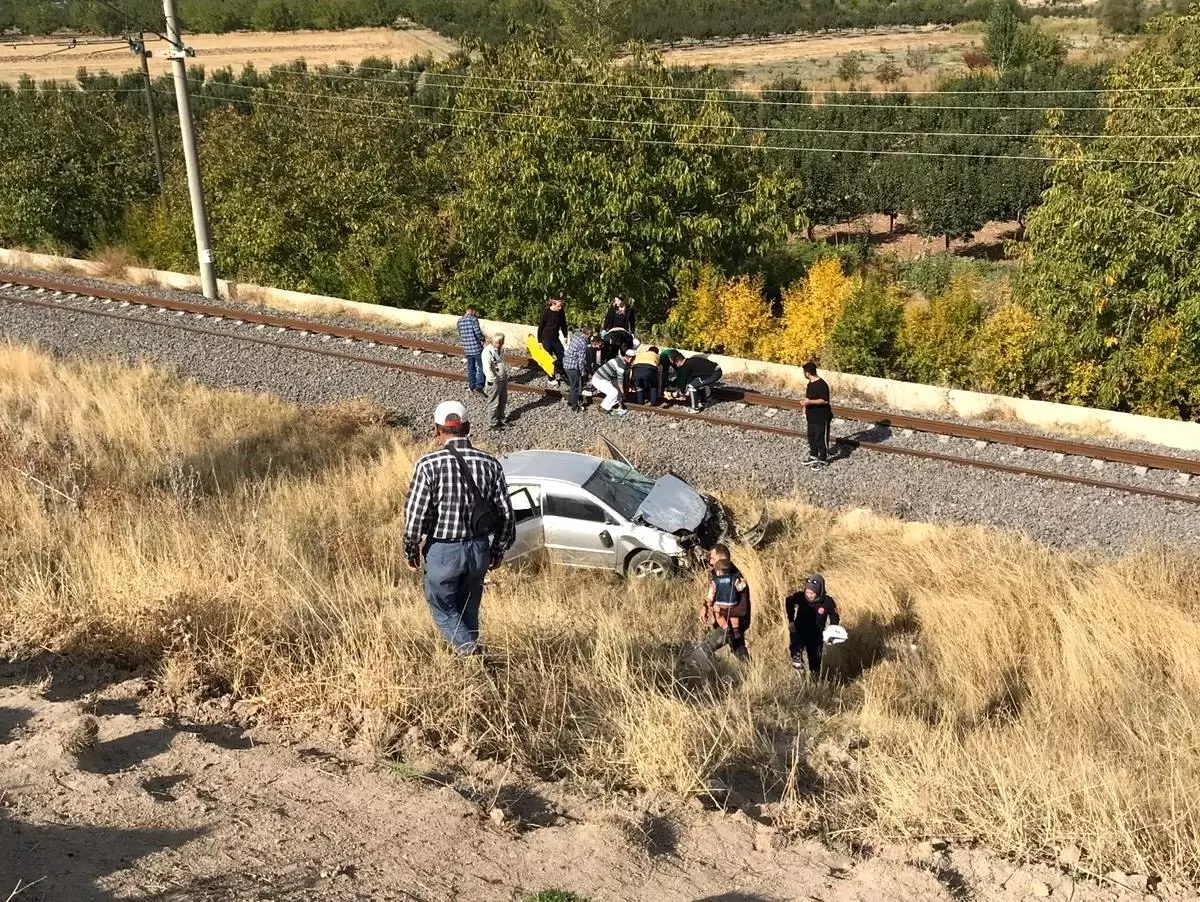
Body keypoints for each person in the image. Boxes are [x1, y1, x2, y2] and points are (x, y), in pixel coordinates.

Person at [403, 401, 516, 655]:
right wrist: (497, 551)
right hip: (478, 549)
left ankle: (473, 656)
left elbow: (415, 516)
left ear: (436, 430)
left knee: (442, 607)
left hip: (443, 550)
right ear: (467, 427)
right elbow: (506, 514)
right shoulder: (490, 463)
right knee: (468, 609)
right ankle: (469, 664)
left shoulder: (428, 464)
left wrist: (411, 550)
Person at [785, 574, 840, 676]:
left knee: (815, 665)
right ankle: (799, 676)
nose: (809, 595)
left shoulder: (827, 602)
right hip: (799, 630)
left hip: (816, 635)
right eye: (807, 592)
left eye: (812, 593)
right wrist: (791, 620)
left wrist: (832, 630)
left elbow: (835, 616)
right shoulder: (801, 597)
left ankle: (814, 685)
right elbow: (788, 601)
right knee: (796, 653)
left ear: (819, 592)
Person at [699, 559, 751, 661]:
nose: (710, 561)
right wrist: (743, 583)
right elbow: (740, 588)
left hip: (720, 605)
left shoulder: (715, 581)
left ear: (718, 571)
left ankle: (726, 628)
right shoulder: (735, 578)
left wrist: (708, 603)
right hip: (732, 604)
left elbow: (711, 594)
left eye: (712, 559)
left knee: (718, 617)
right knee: (734, 618)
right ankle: (735, 630)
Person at [800, 361, 833, 465]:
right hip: (811, 416)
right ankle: (813, 455)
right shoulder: (810, 384)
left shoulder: (822, 385)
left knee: (820, 437)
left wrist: (810, 402)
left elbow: (825, 400)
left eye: (804, 372)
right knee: (811, 436)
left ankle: (823, 459)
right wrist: (805, 409)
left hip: (822, 416)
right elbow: (808, 398)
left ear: (808, 373)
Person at [590, 347, 634, 417]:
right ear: (630, 358)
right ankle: (603, 407)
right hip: (599, 380)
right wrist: (622, 393)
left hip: (604, 378)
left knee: (617, 389)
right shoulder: (621, 366)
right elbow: (620, 381)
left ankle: (619, 406)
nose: (633, 362)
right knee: (614, 392)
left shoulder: (618, 359)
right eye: (633, 359)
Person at [562, 326, 596, 412]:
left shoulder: (576, 338)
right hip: (573, 366)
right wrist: (583, 371)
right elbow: (581, 360)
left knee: (572, 384)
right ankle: (575, 406)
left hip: (566, 364)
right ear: (588, 334)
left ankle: (570, 401)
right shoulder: (583, 344)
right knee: (575, 386)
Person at [537, 298, 569, 385]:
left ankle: (565, 373)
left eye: (561, 306)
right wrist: (539, 340)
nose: (560, 308)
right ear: (553, 304)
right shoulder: (546, 312)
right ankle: (551, 378)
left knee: (562, 356)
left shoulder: (561, 312)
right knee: (548, 359)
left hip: (555, 338)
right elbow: (540, 327)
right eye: (559, 306)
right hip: (546, 338)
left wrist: (565, 335)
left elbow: (563, 324)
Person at [482, 333, 509, 430]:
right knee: (494, 403)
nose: (501, 344)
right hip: (494, 381)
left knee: (503, 400)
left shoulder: (498, 350)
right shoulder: (487, 352)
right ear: (496, 342)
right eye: (500, 343)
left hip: (502, 378)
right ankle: (492, 423)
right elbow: (487, 368)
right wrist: (494, 379)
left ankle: (501, 419)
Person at [456, 305, 485, 394]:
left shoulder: (459, 321)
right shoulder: (473, 320)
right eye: (475, 312)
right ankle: (479, 385)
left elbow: (460, 334)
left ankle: (471, 385)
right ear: (472, 311)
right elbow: (477, 333)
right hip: (476, 348)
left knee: (471, 368)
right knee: (481, 366)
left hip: (467, 349)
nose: (475, 314)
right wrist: (482, 339)